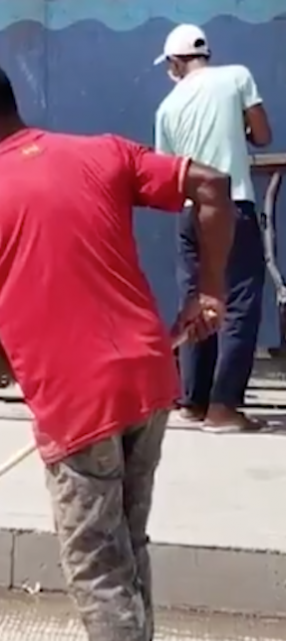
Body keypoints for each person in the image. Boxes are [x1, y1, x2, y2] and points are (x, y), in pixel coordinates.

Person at [0, 51, 233, 641]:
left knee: (95, 561)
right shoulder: (102, 152)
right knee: (128, 538)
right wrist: (209, 294)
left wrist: (9, 370)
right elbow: (210, 184)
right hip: (150, 381)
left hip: (75, 402)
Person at [153, 23, 273, 432]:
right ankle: (224, 408)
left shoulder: (166, 108)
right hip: (232, 204)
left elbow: (166, 171)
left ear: (175, 62)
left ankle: (194, 400)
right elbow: (262, 134)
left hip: (189, 212)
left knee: (194, 300)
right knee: (238, 302)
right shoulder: (237, 77)